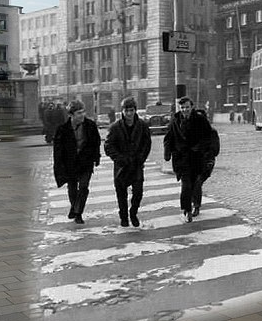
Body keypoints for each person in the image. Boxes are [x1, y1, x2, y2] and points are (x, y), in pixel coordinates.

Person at [163, 96, 217, 222]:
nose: (184, 110)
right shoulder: (175, 120)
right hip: (181, 159)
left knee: (196, 183)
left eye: (187, 107)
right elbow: (168, 138)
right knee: (186, 184)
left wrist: (200, 148)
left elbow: (208, 137)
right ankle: (187, 210)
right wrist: (167, 153)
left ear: (191, 107)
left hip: (197, 158)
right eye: (182, 107)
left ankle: (196, 205)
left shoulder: (200, 120)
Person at [104, 96, 152, 227]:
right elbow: (108, 146)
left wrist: (141, 158)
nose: (129, 113)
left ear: (135, 110)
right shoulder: (115, 127)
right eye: (126, 111)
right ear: (122, 112)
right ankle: (123, 216)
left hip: (136, 165)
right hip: (121, 166)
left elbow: (147, 143)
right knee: (121, 194)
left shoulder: (142, 125)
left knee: (138, 192)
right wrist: (119, 158)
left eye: (131, 110)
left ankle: (133, 212)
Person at [53, 99, 101, 225]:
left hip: (86, 162)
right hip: (70, 164)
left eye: (83, 112)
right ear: (71, 115)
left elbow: (96, 142)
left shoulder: (90, 125)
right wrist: (59, 167)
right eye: (79, 113)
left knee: (84, 187)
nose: (82, 115)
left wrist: (96, 157)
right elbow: (58, 151)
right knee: (72, 189)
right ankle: (75, 209)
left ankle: (77, 212)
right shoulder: (62, 130)